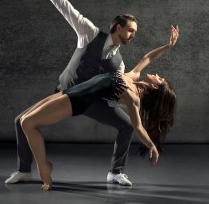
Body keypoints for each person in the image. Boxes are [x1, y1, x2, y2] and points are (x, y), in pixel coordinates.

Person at [6, 0, 139, 186]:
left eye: (135, 32)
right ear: (117, 27)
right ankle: (24, 170)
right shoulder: (89, 33)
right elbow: (66, 7)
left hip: (90, 102)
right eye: (130, 31)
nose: (133, 36)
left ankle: (116, 172)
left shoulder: (119, 63)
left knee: (127, 125)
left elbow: (116, 89)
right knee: (20, 121)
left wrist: (131, 103)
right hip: (64, 95)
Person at [19, 25, 179, 190]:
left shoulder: (133, 98)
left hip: (76, 101)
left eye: (159, 79)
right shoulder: (133, 77)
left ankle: (43, 167)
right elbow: (148, 58)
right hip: (72, 91)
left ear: (154, 88)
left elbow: (137, 126)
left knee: (28, 123)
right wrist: (168, 46)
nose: (157, 75)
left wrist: (151, 145)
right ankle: (42, 166)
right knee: (24, 120)